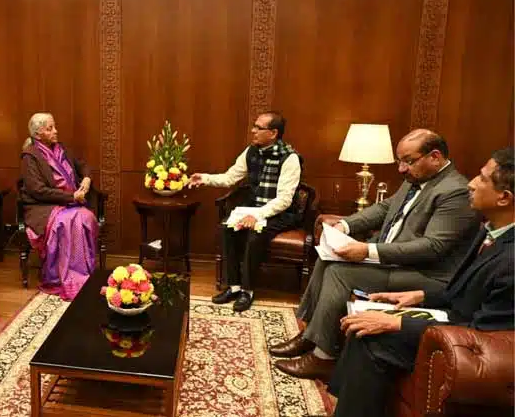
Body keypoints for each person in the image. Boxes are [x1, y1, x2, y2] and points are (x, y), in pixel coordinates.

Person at [271, 129, 480, 381]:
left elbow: (433, 246)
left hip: (427, 276)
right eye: (399, 161)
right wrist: (346, 225)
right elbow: (384, 208)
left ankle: (323, 357)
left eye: (408, 161)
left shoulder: (454, 192)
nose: (401, 168)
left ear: (434, 156)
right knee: (328, 258)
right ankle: (310, 336)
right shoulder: (416, 178)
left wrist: (368, 250)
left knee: (340, 273)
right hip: (396, 262)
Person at [329, 147, 514, 417]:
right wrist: (418, 297)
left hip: (464, 344)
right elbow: (463, 291)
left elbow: (483, 335)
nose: (471, 184)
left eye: (482, 178)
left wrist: (397, 322)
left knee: (371, 338)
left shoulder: (510, 262)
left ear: (504, 198)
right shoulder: (490, 230)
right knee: (365, 324)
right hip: (451, 318)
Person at [188, 111, 303, 312]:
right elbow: (230, 177)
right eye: (254, 126)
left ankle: (247, 291)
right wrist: (204, 178)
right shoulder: (251, 151)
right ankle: (234, 287)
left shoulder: (290, 158)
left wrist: (257, 215)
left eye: (259, 127)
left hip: (281, 213)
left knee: (254, 235)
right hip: (254, 206)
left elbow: (284, 200)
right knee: (227, 229)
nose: (253, 130)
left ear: (273, 133)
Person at [20, 112, 98, 300]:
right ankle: (61, 277)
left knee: (85, 217)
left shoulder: (61, 148)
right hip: (44, 206)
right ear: (38, 134)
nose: (56, 131)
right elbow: (38, 191)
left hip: (73, 202)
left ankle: (85, 272)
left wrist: (86, 178)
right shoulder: (30, 157)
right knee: (70, 220)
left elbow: (83, 165)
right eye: (50, 128)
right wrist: (71, 196)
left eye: (54, 126)